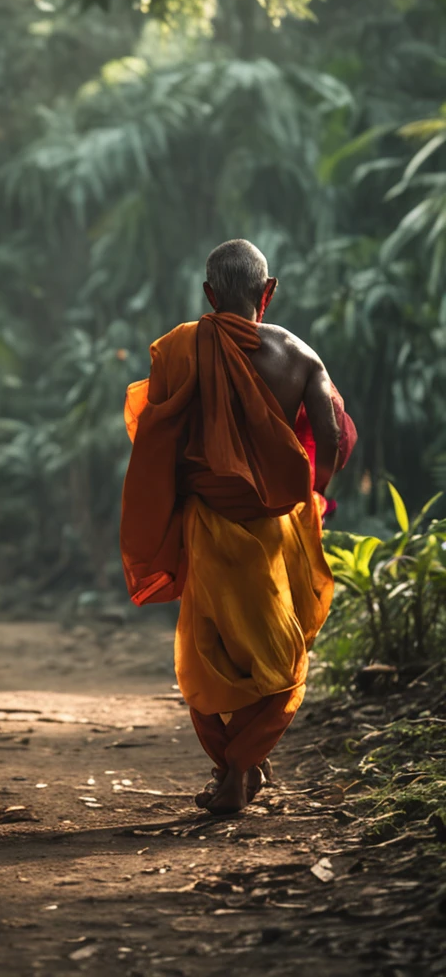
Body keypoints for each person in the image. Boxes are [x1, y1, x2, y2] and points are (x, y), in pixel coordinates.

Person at [120, 239, 356, 814]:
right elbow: (329, 436)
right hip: (274, 526)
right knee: (280, 657)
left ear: (209, 295)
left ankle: (235, 770)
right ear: (267, 292)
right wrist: (315, 494)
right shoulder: (300, 357)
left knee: (209, 654)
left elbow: (158, 438)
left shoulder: (181, 349)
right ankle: (240, 771)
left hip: (205, 523)